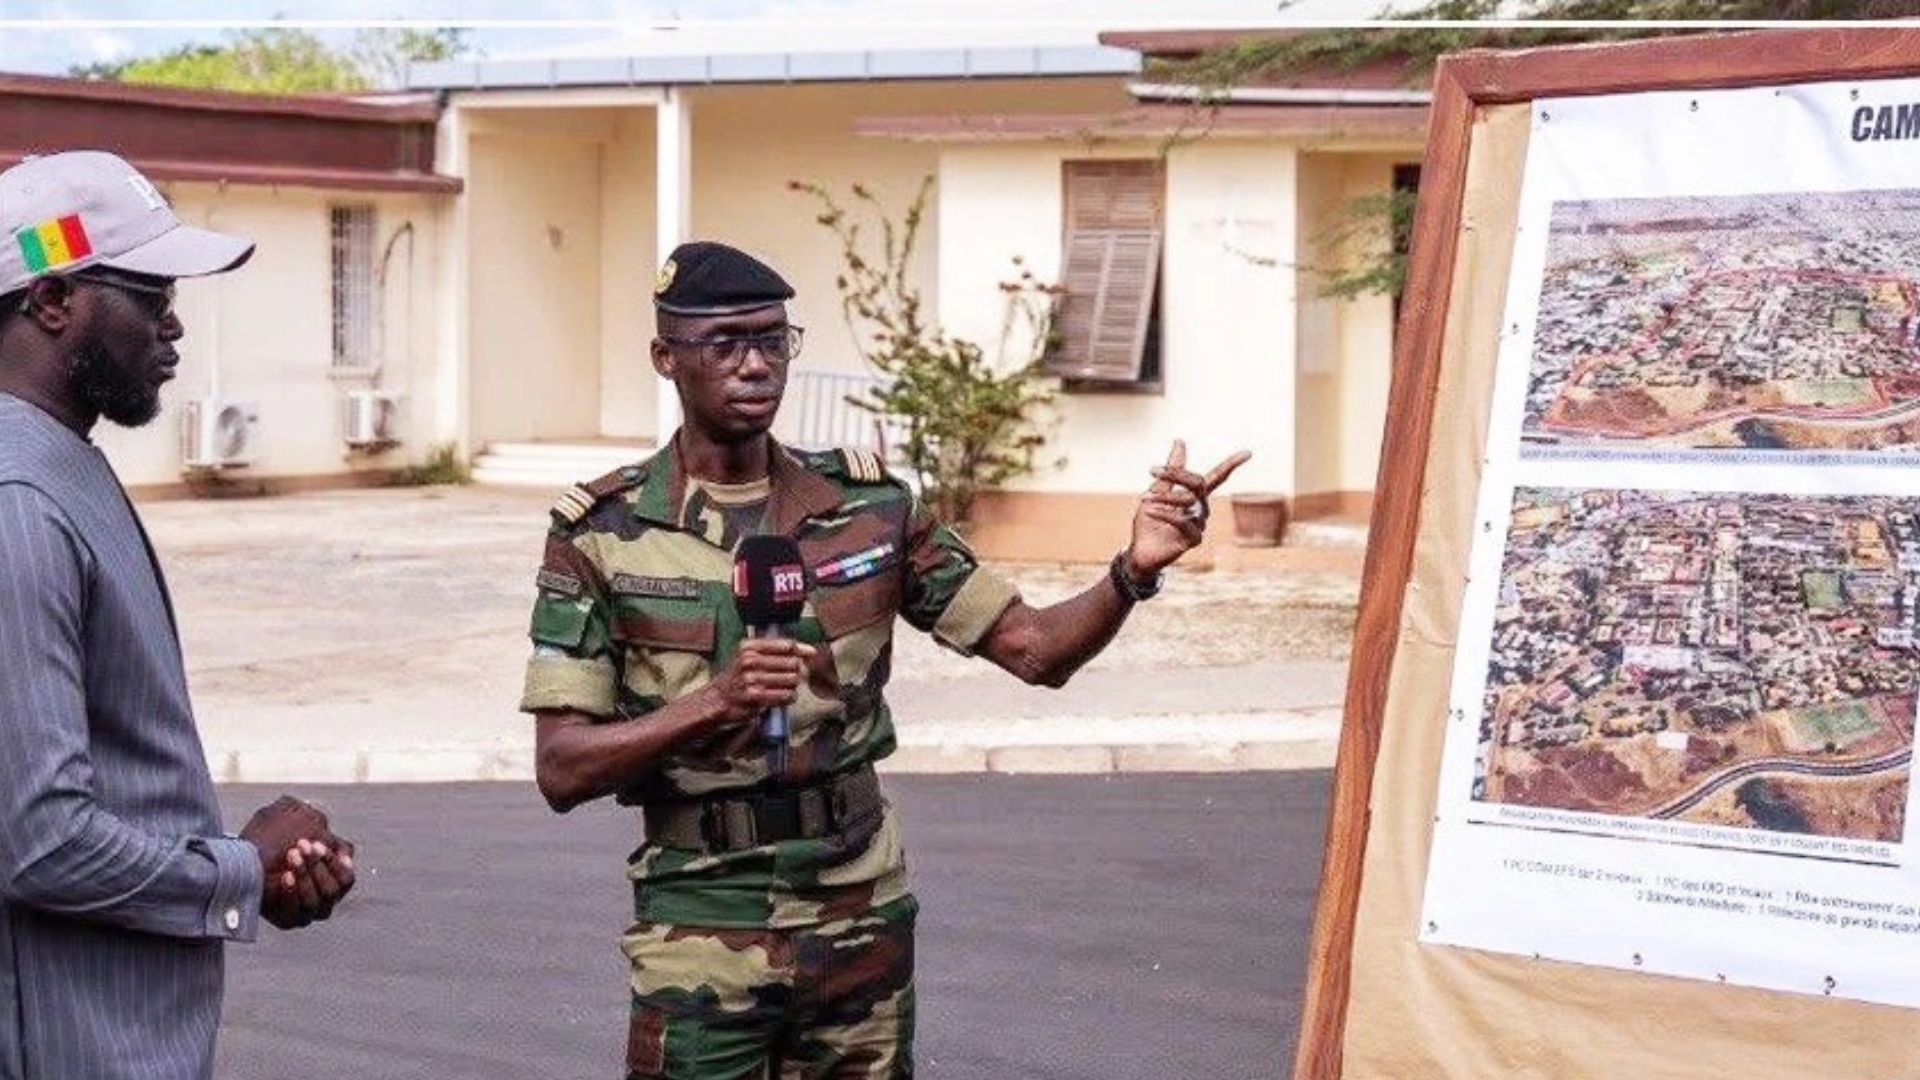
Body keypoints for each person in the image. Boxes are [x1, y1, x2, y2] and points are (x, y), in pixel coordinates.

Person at [521, 239, 1247, 1080]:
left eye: (773, 341)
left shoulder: (870, 511)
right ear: (666, 358)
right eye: (725, 345)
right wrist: (713, 703)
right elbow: (563, 769)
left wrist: (1132, 572)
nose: (755, 366)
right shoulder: (604, 534)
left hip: (860, 908)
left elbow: (1037, 651)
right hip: (700, 919)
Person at [0, 150, 357, 1080]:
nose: (174, 324)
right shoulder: (17, 503)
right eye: (149, 292)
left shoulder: (56, 462)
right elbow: (39, 840)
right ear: (51, 300)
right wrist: (239, 870)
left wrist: (248, 872)